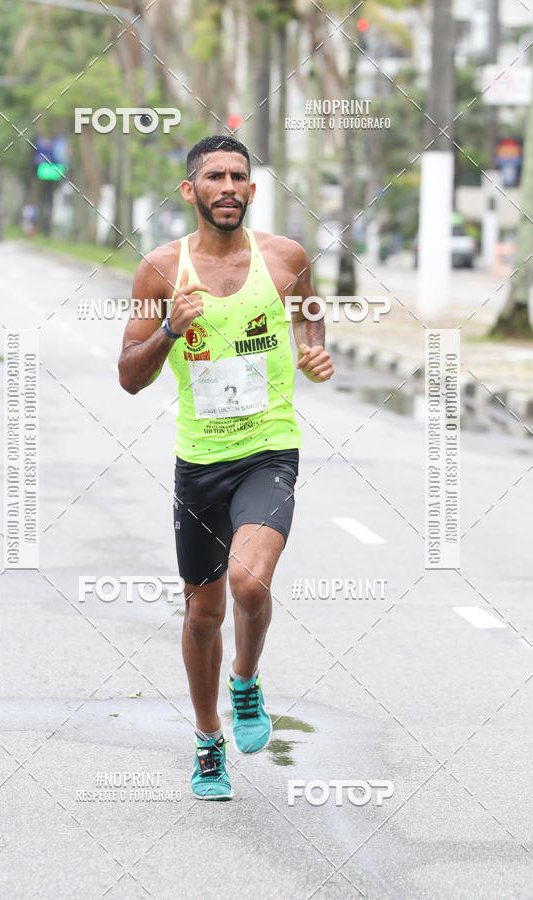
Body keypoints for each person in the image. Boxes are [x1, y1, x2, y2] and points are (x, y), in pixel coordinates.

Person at [118, 135, 333, 800]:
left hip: (269, 449)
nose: (229, 186)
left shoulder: (285, 258)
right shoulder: (160, 270)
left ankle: (246, 683)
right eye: (215, 177)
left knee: (247, 584)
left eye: (239, 176)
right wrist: (171, 331)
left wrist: (314, 350)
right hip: (199, 463)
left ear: (252, 189)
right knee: (202, 612)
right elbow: (128, 376)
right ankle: (208, 740)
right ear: (192, 192)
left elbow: (312, 314)